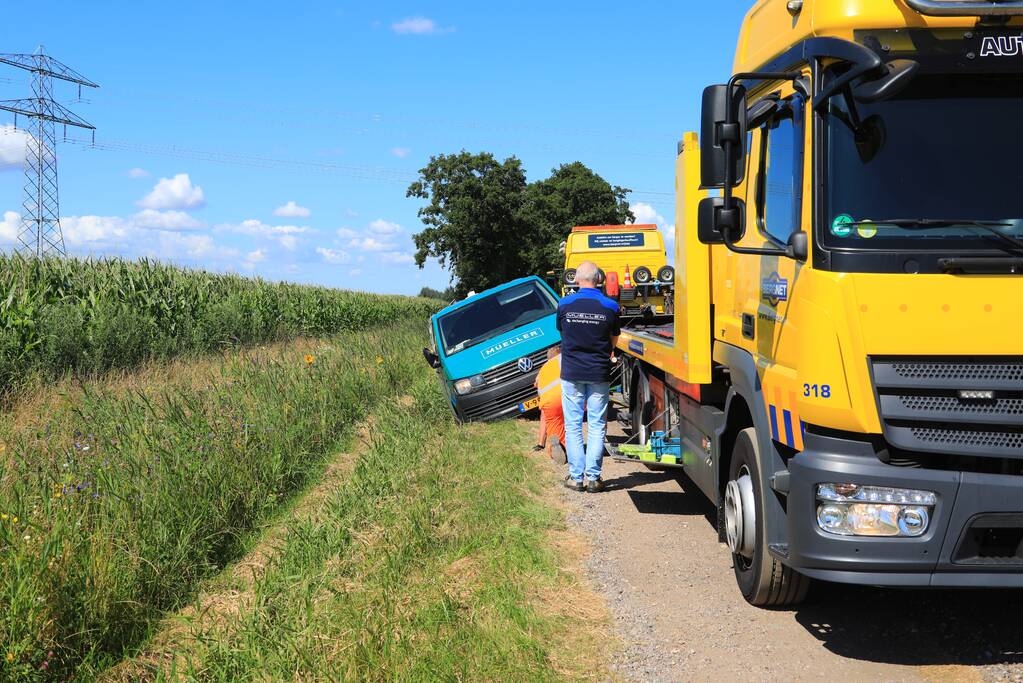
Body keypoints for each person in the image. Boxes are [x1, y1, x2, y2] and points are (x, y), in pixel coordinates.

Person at [557, 260, 620, 493]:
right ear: (600, 279)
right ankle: (594, 477)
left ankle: (576, 478)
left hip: (572, 372)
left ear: (576, 279)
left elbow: (563, 334)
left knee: (573, 425)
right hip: (598, 372)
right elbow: (614, 339)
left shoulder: (564, 304)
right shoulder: (610, 306)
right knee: (596, 424)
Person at [533, 347, 566, 461]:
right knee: (572, 423)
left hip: (548, 402)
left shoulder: (543, 368)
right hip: (565, 394)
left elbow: (536, 383)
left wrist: (541, 443)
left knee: (554, 427)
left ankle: (554, 448)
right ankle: (572, 447)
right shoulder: (563, 358)